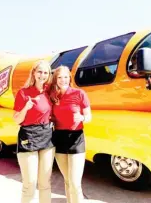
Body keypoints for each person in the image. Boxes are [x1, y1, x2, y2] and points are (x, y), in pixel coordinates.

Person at [13, 60, 55, 203]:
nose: (42, 75)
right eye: (40, 72)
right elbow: (17, 120)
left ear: (48, 75)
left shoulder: (50, 92)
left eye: (45, 72)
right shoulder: (23, 93)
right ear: (34, 73)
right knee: (30, 183)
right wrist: (26, 107)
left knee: (45, 184)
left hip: (47, 137)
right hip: (28, 136)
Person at [50, 66, 92, 203]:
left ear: (70, 78)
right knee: (67, 180)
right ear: (56, 79)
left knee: (75, 182)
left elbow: (89, 116)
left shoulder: (79, 94)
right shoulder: (53, 96)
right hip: (59, 138)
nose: (63, 80)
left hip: (76, 138)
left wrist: (82, 118)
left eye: (66, 77)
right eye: (60, 77)